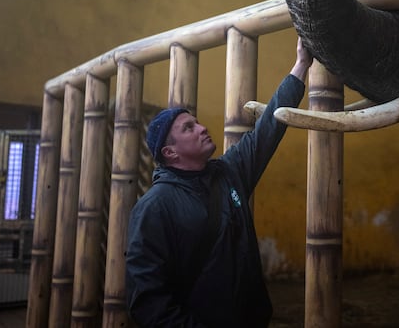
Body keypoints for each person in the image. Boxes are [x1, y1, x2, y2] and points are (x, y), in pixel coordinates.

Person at [125, 37, 313, 327]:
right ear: (170, 152)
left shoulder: (228, 173)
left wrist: (301, 64)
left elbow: (267, 130)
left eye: (197, 122)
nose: (202, 128)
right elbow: (148, 302)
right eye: (189, 128)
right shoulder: (153, 207)